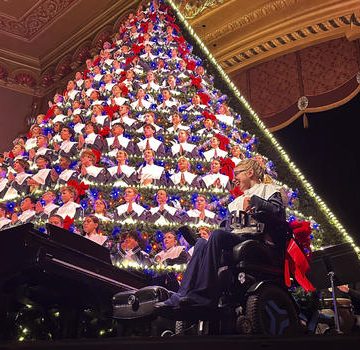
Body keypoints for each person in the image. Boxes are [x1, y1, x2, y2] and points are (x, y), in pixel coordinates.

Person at [155, 158, 288, 309]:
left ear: (250, 173)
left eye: (237, 174)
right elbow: (228, 227)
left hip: (257, 239)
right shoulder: (235, 202)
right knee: (200, 243)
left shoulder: (269, 190)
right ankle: (182, 295)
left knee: (217, 235)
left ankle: (203, 297)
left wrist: (254, 202)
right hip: (236, 236)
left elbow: (277, 212)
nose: (234, 179)